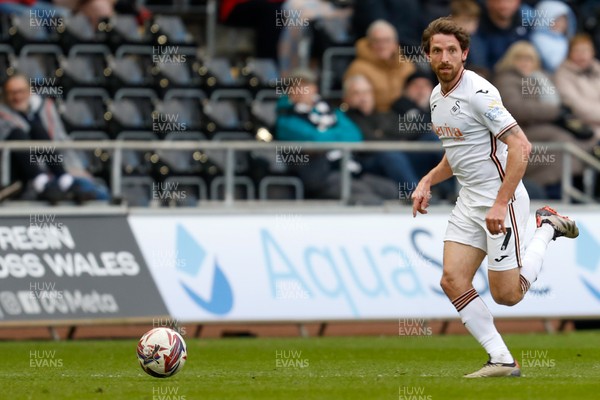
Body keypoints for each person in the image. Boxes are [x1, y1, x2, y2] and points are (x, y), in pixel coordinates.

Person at [413, 17, 579, 378]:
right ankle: (501, 359)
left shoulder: (480, 93)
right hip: (469, 200)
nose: (444, 57)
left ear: (465, 53)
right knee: (452, 280)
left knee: (508, 295)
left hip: (500, 200)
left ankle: (547, 227)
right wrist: (428, 180)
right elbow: (457, 154)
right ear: (427, 55)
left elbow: (521, 145)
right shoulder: (436, 96)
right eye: (437, 50)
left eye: (452, 51)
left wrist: (501, 202)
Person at [275, 69, 398, 204]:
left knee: (392, 190)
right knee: (368, 198)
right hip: (321, 176)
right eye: (298, 86)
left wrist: (325, 134)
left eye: (307, 85)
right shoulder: (285, 119)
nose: (303, 90)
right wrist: (335, 134)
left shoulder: (330, 110)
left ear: (315, 88)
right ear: (290, 91)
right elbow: (317, 141)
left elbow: (355, 135)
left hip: (351, 169)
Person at [494, 41, 594, 198]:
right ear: (511, 60)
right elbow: (516, 109)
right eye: (521, 58)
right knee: (560, 139)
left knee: (586, 140)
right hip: (518, 131)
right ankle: (555, 188)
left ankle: (579, 187)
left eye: (530, 59)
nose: (526, 63)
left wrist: (564, 111)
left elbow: (559, 103)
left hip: (541, 126)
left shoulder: (541, 78)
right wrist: (555, 112)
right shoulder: (507, 79)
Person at [0, 73, 108, 202]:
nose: (17, 96)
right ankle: (44, 182)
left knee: (98, 192)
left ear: (29, 90)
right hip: (23, 176)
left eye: (21, 91)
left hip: (59, 170)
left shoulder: (46, 108)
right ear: (5, 95)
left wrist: (75, 168)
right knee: (19, 133)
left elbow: (61, 140)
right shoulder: (3, 116)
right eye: (12, 92)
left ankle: (65, 180)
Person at [344, 20, 415, 112]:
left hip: (403, 117)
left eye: (387, 40)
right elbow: (352, 101)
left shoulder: (407, 66)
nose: (382, 45)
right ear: (369, 44)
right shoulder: (357, 68)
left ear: (395, 44)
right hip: (371, 118)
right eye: (377, 41)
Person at [468, 0, 533, 78]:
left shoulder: (525, 23)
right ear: (488, 2)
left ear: (518, 2)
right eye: (498, 1)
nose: (504, 5)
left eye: (509, 1)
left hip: (521, 78)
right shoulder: (475, 29)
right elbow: (479, 70)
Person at [555, 34, 600, 141]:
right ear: (569, 53)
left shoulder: (597, 70)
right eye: (577, 51)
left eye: (585, 50)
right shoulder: (562, 75)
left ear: (592, 52)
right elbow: (576, 107)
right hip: (584, 127)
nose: (581, 55)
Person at [530, 0, 577, 73]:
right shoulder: (539, 39)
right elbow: (553, 64)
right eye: (556, 20)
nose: (561, 24)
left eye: (564, 21)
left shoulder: (565, 40)